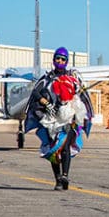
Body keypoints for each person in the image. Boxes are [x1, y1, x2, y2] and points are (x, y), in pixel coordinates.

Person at [25, 47, 93, 191]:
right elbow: (36, 93)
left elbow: (82, 95)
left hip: (69, 118)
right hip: (52, 120)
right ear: (54, 60)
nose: (60, 61)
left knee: (65, 146)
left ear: (66, 61)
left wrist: (80, 113)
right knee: (53, 149)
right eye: (58, 58)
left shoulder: (74, 77)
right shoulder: (47, 78)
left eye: (63, 59)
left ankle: (65, 175)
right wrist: (47, 104)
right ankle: (58, 179)